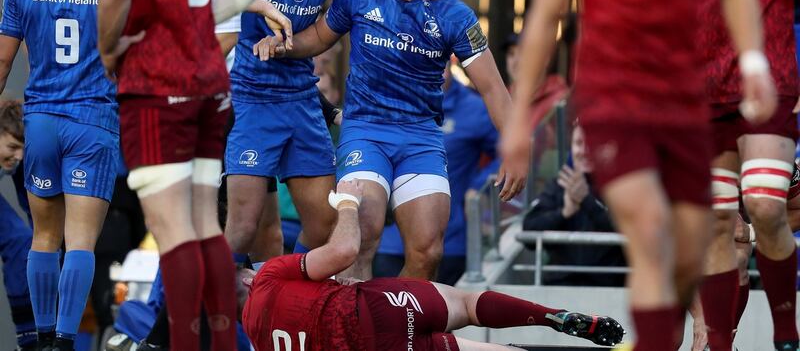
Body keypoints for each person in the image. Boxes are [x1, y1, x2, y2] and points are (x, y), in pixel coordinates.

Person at [500, 0, 773, 351]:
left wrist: (755, 61)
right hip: (612, 102)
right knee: (649, 230)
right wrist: (516, 125)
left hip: (684, 104)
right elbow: (545, 16)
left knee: (687, 257)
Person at [257, 0, 526, 281]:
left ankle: (396, 330)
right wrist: (282, 44)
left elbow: (493, 87)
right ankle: (353, 334)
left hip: (421, 137)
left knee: (428, 250)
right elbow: (319, 37)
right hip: (365, 130)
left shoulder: (456, 15)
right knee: (359, 238)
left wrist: (515, 149)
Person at [224, 0, 449, 273]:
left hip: (303, 103)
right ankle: (168, 324)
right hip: (253, 100)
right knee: (244, 228)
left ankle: (286, 291)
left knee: (326, 225)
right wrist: (262, 6)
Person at [97, 0, 275, 347]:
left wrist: (108, 48)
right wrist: (198, 18)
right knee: (204, 225)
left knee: (174, 231)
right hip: (211, 85)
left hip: (158, 87)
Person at [240, 179, 625, 351]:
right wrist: (347, 203)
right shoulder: (269, 277)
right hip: (376, 307)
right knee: (470, 306)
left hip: (378, 347)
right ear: (242, 278)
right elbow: (343, 252)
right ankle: (552, 317)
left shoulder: (256, 337)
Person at [0, 0, 120, 349]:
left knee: (43, 236)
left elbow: (2, 65)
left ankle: (43, 336)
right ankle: (66, 340)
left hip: (43, 121)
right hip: (92, 122)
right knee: (81, 242)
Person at [695, 0, 800, 350]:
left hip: (767, 84)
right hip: (701, 91)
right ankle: (717, 342)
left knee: (763, 203)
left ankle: (784, 326)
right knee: (719, 222)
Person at [374, 61, 500, 285]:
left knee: (434, 312)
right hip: (392, 239)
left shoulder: (474, 108)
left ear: (450, 61)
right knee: (389, 311)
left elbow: (506, 153)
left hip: (449, 239)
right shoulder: (394, 100)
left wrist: (478, 187)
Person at [522, 124, 626, 287]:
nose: (583, 150)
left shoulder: (620, 186)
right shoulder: (559, 184)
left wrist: (587, 201)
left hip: (609, 289)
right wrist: (563, 213)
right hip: (559, 286)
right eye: (578, 143)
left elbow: (629, 232)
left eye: (591, 143)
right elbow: (528, 233)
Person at [0, 101, 36, 350]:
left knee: (24, 242)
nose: (18, 156)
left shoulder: (18, 159)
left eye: (22, 149)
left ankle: (29, 337)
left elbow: (34, 213)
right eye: (12, 147)